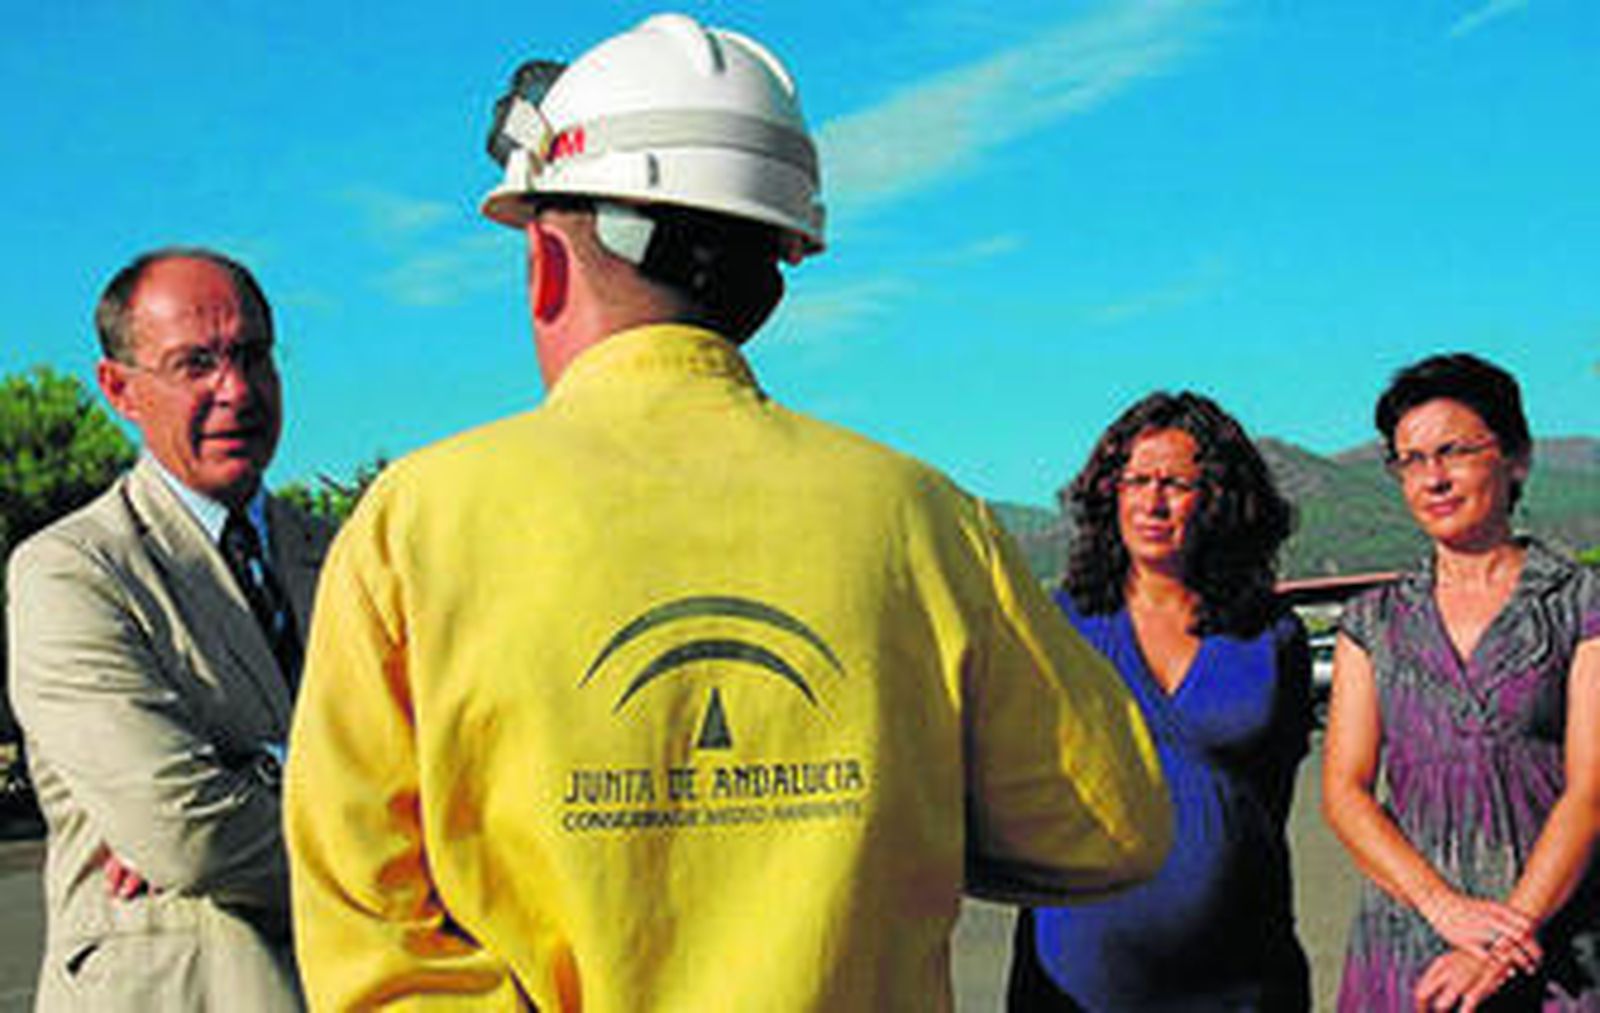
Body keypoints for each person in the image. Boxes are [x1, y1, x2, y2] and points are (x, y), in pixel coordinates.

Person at [283, 13, 1172, 1012]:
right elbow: (1111, 824)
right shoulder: (924, 517)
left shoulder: (417, 523)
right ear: (771, 279)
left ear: (543, 261)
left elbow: (367, 935)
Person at [5, 248, 330, 1011]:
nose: (237, 390)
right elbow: (190, 833)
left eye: (253, 355)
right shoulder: (71, 572)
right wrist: (392, 834)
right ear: (119, 388)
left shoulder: (350, 557)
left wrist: (254, 770)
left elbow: (444, 764)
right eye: (196, 363)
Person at [1007, 391, 1313, 1011]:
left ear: (1220, 498)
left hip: (1241, 976)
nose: (1151, 501)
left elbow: (1267, 801)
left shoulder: (1272, 635)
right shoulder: (1055, 627)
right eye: (1136, 480)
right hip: (1078, 980)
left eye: (1175, 483)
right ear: (1109, 493)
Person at [1323, 353, 1600, 1011]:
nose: (1433, 478)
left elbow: (1592, 790)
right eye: (1411, 460)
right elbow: (1344, 789)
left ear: (1516, 458)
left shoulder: (1581, 602)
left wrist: (1501, 941)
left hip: (1553, 947)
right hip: (1406, 952)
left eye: (1454, 451)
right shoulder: (1374, 620)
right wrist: (1442, 908)